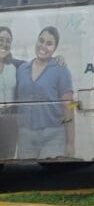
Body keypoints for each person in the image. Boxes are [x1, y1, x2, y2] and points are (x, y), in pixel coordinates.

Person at [16, 26, 74, 159]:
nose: (43, 46)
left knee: (48, 177)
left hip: (53, 136)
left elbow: (69, 106)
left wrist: (70, 143)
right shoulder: (22, 69)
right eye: (41, 41)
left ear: (55, 48)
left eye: (49, 44)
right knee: (25, 177)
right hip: (25, 136)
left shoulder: (61, 69)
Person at [0, 26, 23, 159]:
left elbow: (38, 63)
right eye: (1, 39)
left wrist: (57, 59)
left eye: (8, 41)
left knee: (7, 158)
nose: (4, 44)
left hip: (10, 120)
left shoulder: (16, 65)